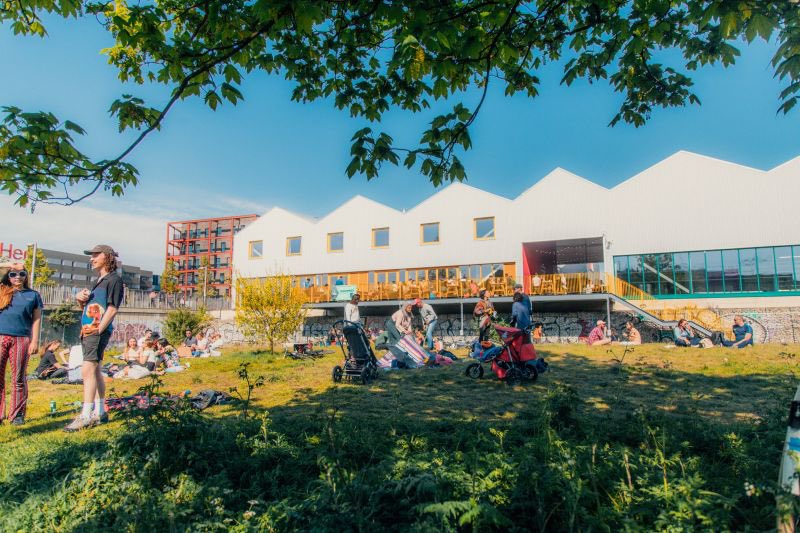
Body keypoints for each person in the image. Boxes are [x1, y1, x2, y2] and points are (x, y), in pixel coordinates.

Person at [64, 245, 123, 432]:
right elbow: (91, 308)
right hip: (88, 331)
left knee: (87, 370)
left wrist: (98, 330)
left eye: (96, 255)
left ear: (107, 257)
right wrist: (80, 299)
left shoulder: (114, 280)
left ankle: (85, 415)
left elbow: (112, 308)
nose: (92, 258)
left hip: (95, 333)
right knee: (96, 371)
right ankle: (101, 412)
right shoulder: (99, 281)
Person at [0, 263, 42, 426]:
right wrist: (8, 264)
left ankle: (17, 415)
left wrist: (35, 341)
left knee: (18, 378)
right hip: (1, 337)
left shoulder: (33, 295)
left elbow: (37, 319)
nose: (17, 277)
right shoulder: (2, 289)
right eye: (13, 274)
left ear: (26, 276)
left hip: (21, 339)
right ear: (8, 276)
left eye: (21, 274)